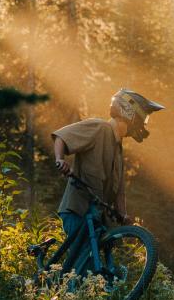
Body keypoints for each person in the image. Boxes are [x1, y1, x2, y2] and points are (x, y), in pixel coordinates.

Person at [51, 89, 165, 271]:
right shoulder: (99, 128)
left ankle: (75, 291)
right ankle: (64, 293)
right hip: (78, 210)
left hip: (97, 218)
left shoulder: (119, 150)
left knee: (104, 271)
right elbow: (62, 137)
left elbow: (119, 190)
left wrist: (124, 214)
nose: (144, 123)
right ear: (130, 112)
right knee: (85, 268)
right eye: (144, 117)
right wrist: (60, 159)